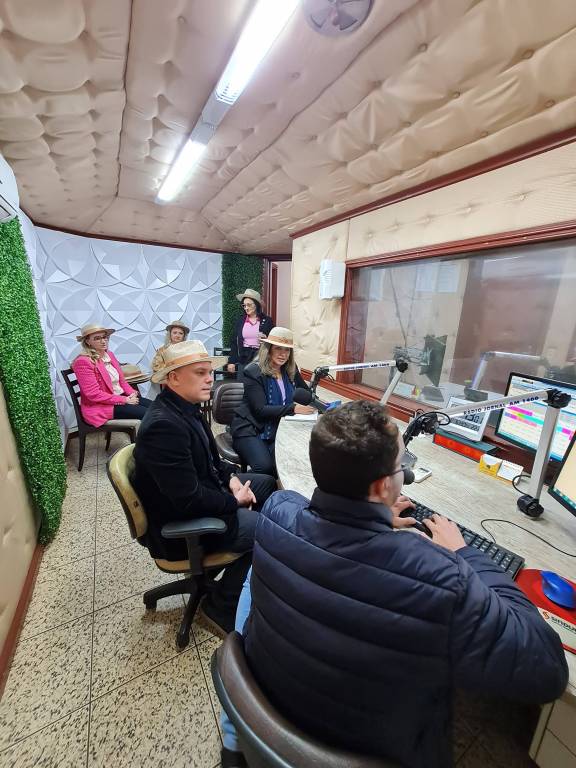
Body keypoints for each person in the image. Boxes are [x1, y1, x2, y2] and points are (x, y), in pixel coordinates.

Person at [220, 401, 569, 768]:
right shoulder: (441, 576)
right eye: (402, 466)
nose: (405, 474)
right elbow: (547, 671)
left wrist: (373, 516)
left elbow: (327, 528)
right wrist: (466, 554)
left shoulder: (277, 511)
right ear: (383, 485)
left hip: (275, 716)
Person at [133, 340, 277, 635]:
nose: (210, 378)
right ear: (173, 378)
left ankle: (245, 569)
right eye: (200, 373)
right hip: (181, 525)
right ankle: (220, 605)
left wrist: (233, 480)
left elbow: (212, 461)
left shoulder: (186, 408)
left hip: (202, 496)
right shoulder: (164, 426)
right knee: (268, 532)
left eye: (209, 372)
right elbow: (188, 501)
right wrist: (235, 502)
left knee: (266, 483)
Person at [230, 327, 314, 476]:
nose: (283, 354)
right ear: (268, 349)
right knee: (265, 467)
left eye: (287, 350)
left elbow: (306, 394)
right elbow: (260, 410)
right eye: (278, 348)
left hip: (277, 427)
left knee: (293, 460)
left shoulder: (290, 369)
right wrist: (293, 408)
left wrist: (312, 399)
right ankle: (233, 481)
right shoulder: (253, 371)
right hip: (250, 428)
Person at [72, 323, 152, 426]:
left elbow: (121, 381)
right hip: (101, 406)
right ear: (88, 341)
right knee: (151, 414)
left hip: (119, 398)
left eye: (104, 337)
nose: (103, 341)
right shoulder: (83, 361)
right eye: (97, 338)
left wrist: (132, 393)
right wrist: (124, 400)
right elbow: (93, 394)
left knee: (157, 407)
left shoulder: (109, 355)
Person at [226, 289, 273, 376]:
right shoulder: (240, 321)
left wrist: (266, 339)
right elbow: (234, 342)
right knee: (243, 382)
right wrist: (231, 361)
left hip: (261, 358)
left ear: (256, 304)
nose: (246, 308)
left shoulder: (267, 321)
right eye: (244, 305)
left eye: (249, 305)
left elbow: (274, 340)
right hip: (243, 358)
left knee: (260, 382)